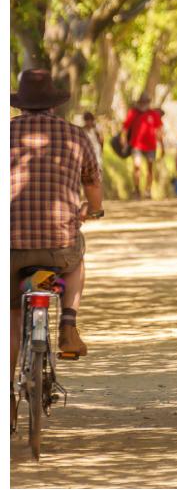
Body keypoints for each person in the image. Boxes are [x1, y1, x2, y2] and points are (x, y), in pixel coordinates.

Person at [10, 70, 103, 417]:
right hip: (57, 250)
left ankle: (7, 392)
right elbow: (93, 184)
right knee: (77, 260)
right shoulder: (75, 136)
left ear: (21, 104)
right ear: (54, 104)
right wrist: (94, 211)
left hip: (9, 253)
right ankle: (68, 322)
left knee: (12, 312)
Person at [122, 92, 164, 199]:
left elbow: (159, 131)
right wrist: (123, 141)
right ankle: (136, 189)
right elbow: (125, 127)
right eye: (143, 102)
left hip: (151, 146)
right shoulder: (133, 113)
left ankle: (148, 190)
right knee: (137, 166)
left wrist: (162, 145)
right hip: (136, 145)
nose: (144, 104)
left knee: (150, 167)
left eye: (146, 102)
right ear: (139, 102)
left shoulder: (153, 114)